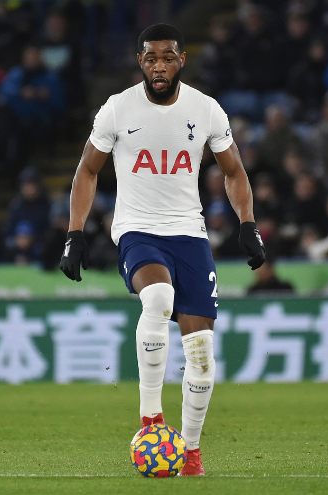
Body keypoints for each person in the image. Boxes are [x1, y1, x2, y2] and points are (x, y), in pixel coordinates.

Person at [58, 25, 266, 476]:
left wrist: (248, 224)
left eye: (168, 58)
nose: (159, 66)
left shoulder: (206, 110)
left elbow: (234, 171)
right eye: (151, 58)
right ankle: (151, 417)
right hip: (138, 230)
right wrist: (75, 234)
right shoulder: (117, 109)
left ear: (182, 60)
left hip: (190, 235)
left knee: (201, 354)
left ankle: (190, 451)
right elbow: (87, 172)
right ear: (140, 61)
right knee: (157, 298)